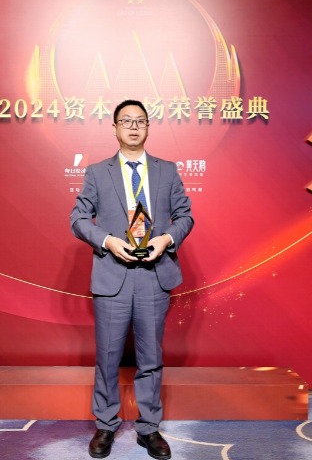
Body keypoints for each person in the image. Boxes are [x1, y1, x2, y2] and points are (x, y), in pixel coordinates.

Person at [70, 99, 194, 459]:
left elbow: (185, 216)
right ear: (115, 128)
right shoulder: (98, 172)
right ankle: (106, 425)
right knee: (108, 357)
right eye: (126, 121)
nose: (133, 127)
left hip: (154, 275)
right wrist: (107, 241)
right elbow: (78, 219)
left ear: (148, 127)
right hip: (113, 274)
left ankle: (149, 428)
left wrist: (166, 239)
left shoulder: (167, 171)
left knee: (150, 357)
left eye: (140, 121)